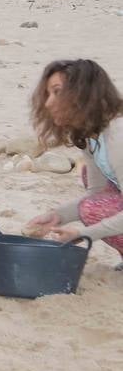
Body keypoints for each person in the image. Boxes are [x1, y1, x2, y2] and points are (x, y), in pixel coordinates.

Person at [24, 60, 123, 265]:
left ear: (83, 94)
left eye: (57, 92)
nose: (48, 103)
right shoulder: (92, 136)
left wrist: (84, 234)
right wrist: (57, 216)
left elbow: (94, 206)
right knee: (94, 184)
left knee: (92, 208)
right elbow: (97, 192)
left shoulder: (118, 137)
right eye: (48, 94)